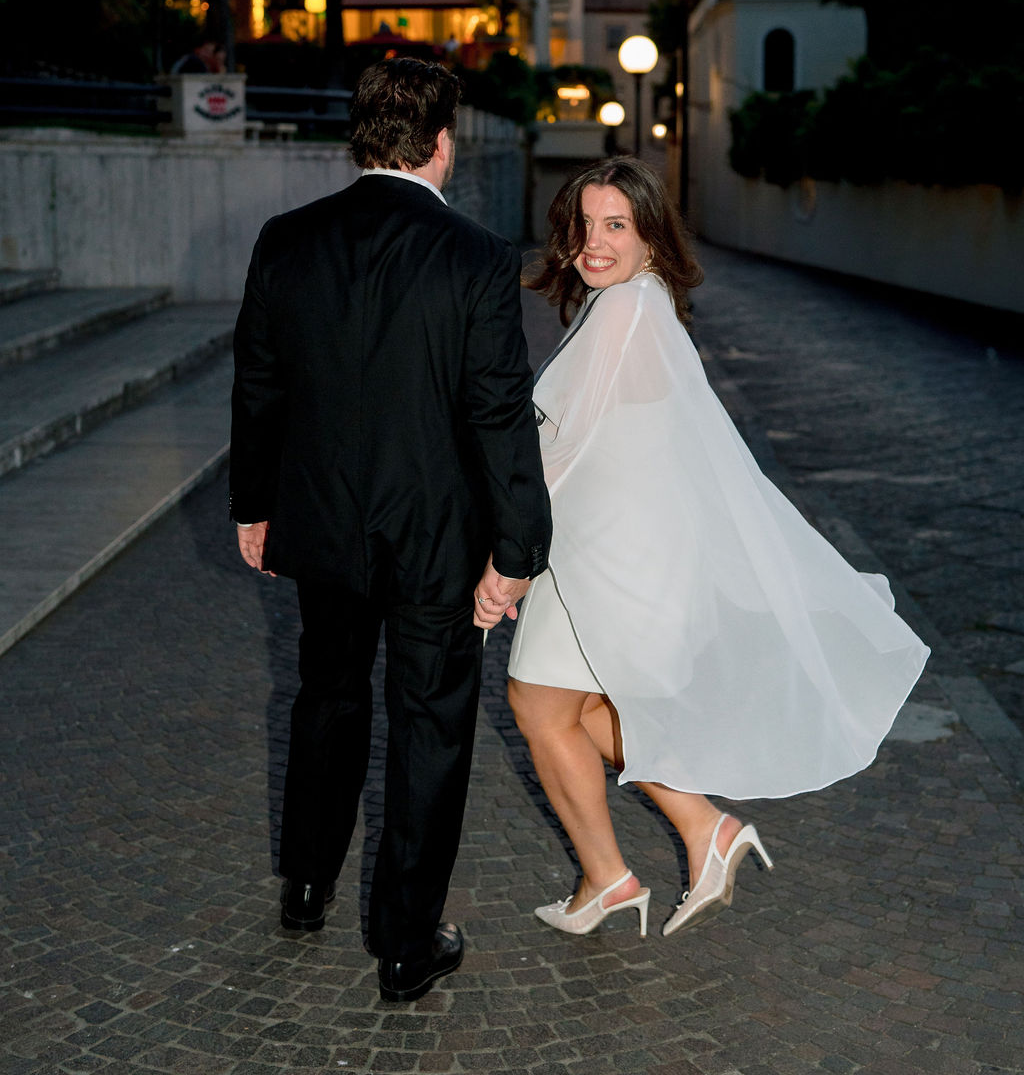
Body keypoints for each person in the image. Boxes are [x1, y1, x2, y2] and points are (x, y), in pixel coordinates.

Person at [481, 156, 928, 941]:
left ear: (652, 237)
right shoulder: (639, 303)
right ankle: (684, 840)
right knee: (576, 712)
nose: (594, 241)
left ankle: (622, 872)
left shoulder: (623, 311)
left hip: (610, 562)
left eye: (615, 225)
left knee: (541, 705)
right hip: (618, 555)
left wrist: (500, 555)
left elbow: (558, 449)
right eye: (584, 224)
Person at [229, 58, 551, 1001]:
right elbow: (498, 415)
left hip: (323, 525)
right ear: (443, 143)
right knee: (429, 724)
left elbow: (260, 387)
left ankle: (305, 884)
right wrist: (518, 551)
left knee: (326, 695)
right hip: (435, 538)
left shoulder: (286, 240)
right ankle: (406, 942)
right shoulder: (479, 257)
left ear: (360, 139)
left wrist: (255, 505)